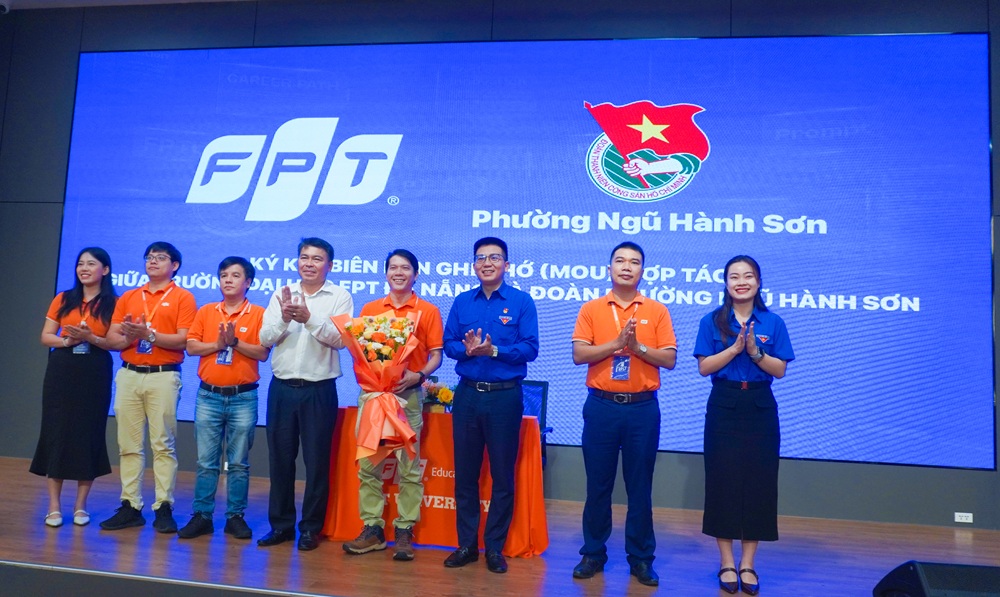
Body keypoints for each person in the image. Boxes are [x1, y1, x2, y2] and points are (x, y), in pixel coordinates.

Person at [570, 241, 677, 587]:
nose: (627, 267)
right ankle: (593, 553)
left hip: (642, 409)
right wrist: (616, 346)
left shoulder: (657, 310)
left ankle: (641, 559)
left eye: (634, 262)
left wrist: (637, 348)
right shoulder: (592, 308)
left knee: (640, 486)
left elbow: (670, 359)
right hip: (601, 406)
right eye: (620, 261)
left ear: (642, 270)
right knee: (597, 485)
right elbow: (579, 354)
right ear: (609, 268)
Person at [693, 255, 794, 596]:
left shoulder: (773, 322)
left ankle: (748, 563)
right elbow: (704, 367)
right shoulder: (711, 321)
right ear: (725, 283)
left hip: (760, 405)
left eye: (748, 276)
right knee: (722, 481)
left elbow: (780, 370)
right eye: (734, 276)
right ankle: (725, 562)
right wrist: (736, 348)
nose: (741, 282)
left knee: (758, 483)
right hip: (724, 402)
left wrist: (755, 352)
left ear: (758, 282)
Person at [442, 237, 539, 574]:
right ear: (474, 265)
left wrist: (494, 350)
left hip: (504, 397)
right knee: (465, 475)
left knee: (502, 475)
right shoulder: (462, 302)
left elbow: (530, 348)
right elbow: (448, 343)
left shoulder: (521, 302)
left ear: (506, 265)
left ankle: (494, 548)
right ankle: (466, 545)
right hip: (467, 395)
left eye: (494, 258)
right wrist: (466, 350)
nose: (487, 263)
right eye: (481, 258)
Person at [342, 249, 443, 561]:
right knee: (368, 466)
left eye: (406, 267)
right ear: (386, 273)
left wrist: (418, 375)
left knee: (409, 468)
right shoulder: (371, 308)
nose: (399, 272)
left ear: (416, 274)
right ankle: (372, 528)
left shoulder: (428, 310)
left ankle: (404, 529)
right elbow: (361, 351)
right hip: (374, 397)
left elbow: (436, 355)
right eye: (393, 267)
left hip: (407, 397)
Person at [258, 237, 353, 552]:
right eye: (304, 257)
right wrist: (285, 317)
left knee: (317, 462)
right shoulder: (281, 293)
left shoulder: (340, 296)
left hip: (319, 390)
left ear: (330, 265)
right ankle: (281, 526)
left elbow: (341, 340)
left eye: (316, 258)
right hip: (282, 388)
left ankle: (311, 528)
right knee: (280, 460)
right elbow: (265, 337)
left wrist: (308, 318)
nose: (308, 263)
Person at [100, 241, 197, 533]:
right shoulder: (130, 296)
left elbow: (184, 340)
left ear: (174, 265)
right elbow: (112, 339)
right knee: (128, 444)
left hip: (163, 376)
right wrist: (132, 336)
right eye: (149, 257)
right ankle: (130, 505)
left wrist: (149, 334)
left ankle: (163, 506)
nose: (152, 261)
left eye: (160, 257)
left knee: (163, 444)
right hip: (129, 374)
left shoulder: (183, 297)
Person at [178, 257, 269, 540]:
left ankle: (235, 517)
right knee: (206, 462)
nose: (228, 280)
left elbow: (263, 353)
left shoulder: (259, 313)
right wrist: (218, 344)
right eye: (223, 275)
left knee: (238, 463)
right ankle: (202, 516)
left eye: (235, 275)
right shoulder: (206, 311)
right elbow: (191, 347)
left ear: (248, 282)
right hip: (209, 395)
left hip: (243, 397)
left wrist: (235, 343)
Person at [31, 247, 118, 528]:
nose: (84, 269)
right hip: (62, 369)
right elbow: (46, 336)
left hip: (95, 370)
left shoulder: (114, 303)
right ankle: (53, 506)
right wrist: (67, 341)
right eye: (81, 263)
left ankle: (81, 505)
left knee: (88, 433)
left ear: (105, 270)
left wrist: (91, 337)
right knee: (56, 431)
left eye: (91, 264)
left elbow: (115, 342)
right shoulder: (63, 298)